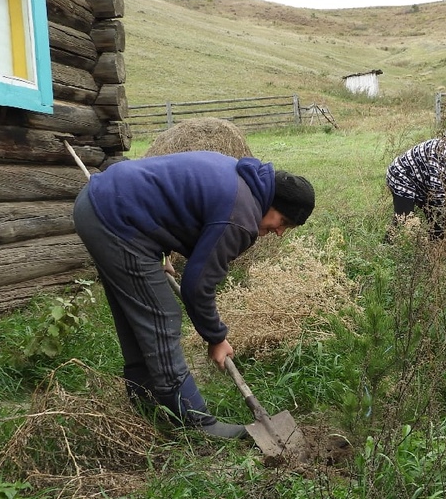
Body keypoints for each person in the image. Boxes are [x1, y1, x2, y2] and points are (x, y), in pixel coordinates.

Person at [73, 151, 315, 439]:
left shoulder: (243, 180)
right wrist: (216, 338)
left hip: (103, 205)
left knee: (137, 314)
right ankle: (197, 424)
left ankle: (144, 399)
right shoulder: (241, 216)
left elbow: (174, 199)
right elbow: (197, 287)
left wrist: (159, 248)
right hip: (115, 220)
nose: (279, 232)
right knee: (162, 315)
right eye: (284, 222)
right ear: (273, 203)